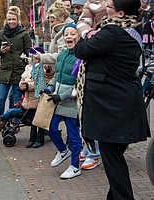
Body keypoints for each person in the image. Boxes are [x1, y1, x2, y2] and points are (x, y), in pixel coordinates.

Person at [74, 0, 150, 198]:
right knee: (113, 158)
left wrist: (85, 31)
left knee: (113, 160)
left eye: (109, 6)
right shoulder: (133, 28)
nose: (104, 8)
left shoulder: (111, 33)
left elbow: (80, 51)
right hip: (125, 106)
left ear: (121, 13)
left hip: (112, 108)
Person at [42, 23, 81, 179]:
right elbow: (57, 76)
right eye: (66, 34)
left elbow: (78, 84)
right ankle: (63, 151)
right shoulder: (63, 55)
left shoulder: (81, 56)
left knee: (73, 136)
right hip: (57, 100)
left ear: (79, 36)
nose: (69, 37)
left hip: (71, 102)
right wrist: (49, 88)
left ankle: (75, 166)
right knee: (50, 127)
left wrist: (62, 96)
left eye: (72, 34)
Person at [0, 47, 46, 148]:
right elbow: (22, 79)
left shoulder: (40, 70)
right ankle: (2, 121)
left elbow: (40, 84)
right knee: (19, 113)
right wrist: (22, 85)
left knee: (34, 122)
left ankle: (36, 139)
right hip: (26, 101)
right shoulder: (28, 69)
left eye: (30, 57)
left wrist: (27, 85)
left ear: (37, 58)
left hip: (35, 101)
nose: (28, 58)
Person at [0, 6, 31, 134]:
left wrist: (28, 67)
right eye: (9, 19)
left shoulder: (24, 34)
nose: (11, 22)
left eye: (13, 19)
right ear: (6, 20)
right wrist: (1, 51)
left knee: (15, 99)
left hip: (18, 72)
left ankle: (14, 123)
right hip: (4, 71)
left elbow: (28, 52)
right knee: (1, 99)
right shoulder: (1, 34)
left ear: (18, 19)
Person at [35, 3, 74, 67]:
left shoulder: (66, 32)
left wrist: (43, 57)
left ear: (62, 18)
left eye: (52, 21)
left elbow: (62, 54)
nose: (51, 25)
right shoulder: (58, 31)